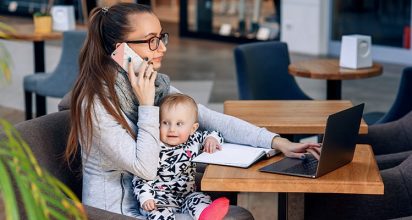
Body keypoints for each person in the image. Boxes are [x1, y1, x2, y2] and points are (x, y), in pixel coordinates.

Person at [64, 2, 320, 218]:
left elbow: (209, 119)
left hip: (160, 202)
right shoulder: (97, 103)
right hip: (119, 212)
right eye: (151, 41)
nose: (162, 47)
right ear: (121, 50)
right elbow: (145, 168)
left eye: (161, 37)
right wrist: (146, 106)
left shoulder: (153, 85)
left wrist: (277, 141)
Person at [133, 93, 229, 220]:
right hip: (159, 199)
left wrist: (211, 139)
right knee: (157, 214)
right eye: (166, 123)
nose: (172, 129)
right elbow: (141, 177)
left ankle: (206, 215)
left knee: (199, 199)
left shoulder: (193, 140)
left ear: (193, 128)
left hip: (187, 195)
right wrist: (146, 198)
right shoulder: (153, 146)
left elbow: (216, 133)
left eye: (179, 124)